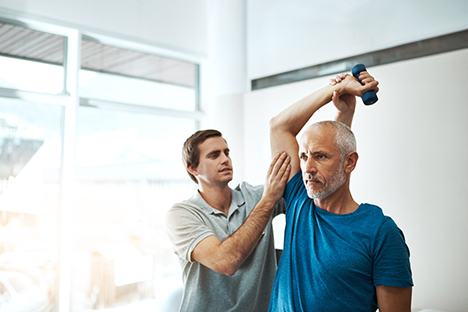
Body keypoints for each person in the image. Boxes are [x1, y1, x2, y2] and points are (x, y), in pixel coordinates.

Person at [268, 72, 413, 311]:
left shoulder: (381, 232)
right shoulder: (299, 200)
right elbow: (279, 126)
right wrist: (334, 91)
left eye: (320, 157)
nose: (308, 168)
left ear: (350, 163)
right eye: (304, 156)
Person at [165, 129, 290, 312]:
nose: (225, 159)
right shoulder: (181, 214)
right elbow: (227, 262)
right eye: (214, 155)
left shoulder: (256, 197)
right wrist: (269, 201)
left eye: (226, 152)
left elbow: (309, 191)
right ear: (193, 168)